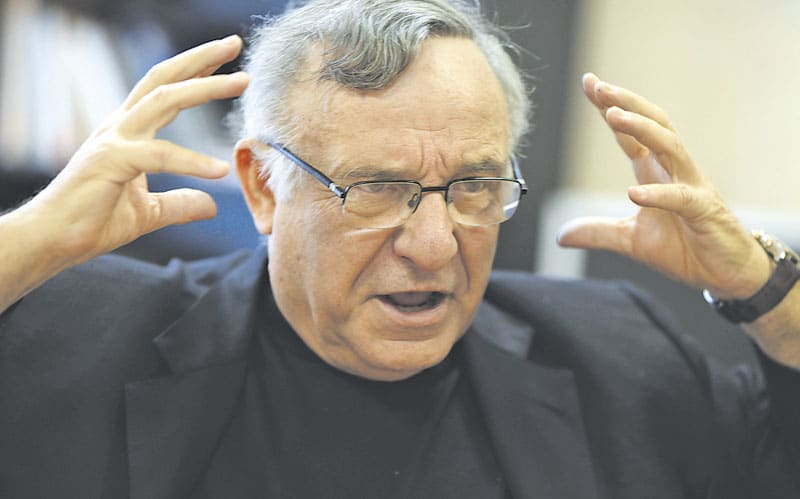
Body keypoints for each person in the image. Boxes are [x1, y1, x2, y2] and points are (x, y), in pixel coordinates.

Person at [1, 0, 799, 497]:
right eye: (378, 187)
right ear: (263, 187)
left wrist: (767, 291)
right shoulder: (78, 337)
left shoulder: (617, 353)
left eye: (475, 185)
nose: (434, 244)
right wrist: (31, 240)